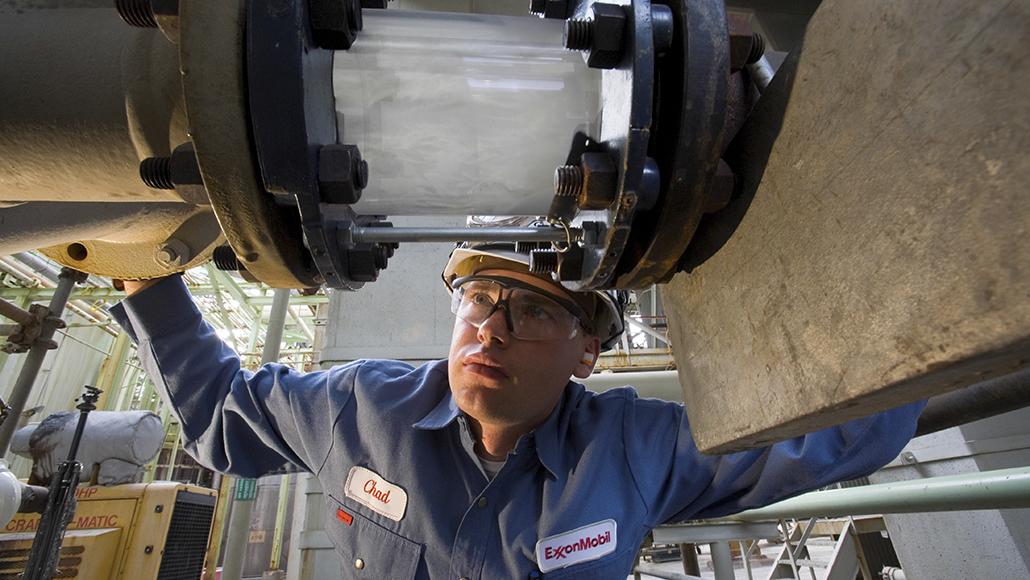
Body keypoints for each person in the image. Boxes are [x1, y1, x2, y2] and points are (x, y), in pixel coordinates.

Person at [112, 242, 925, 579]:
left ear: (586, 353)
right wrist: (144, 270)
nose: (492, 327)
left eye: (532, 311)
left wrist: (921, 306)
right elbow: (221, 413)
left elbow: (842, 434)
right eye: (479, 299)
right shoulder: (360, 407)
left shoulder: (640, 450)